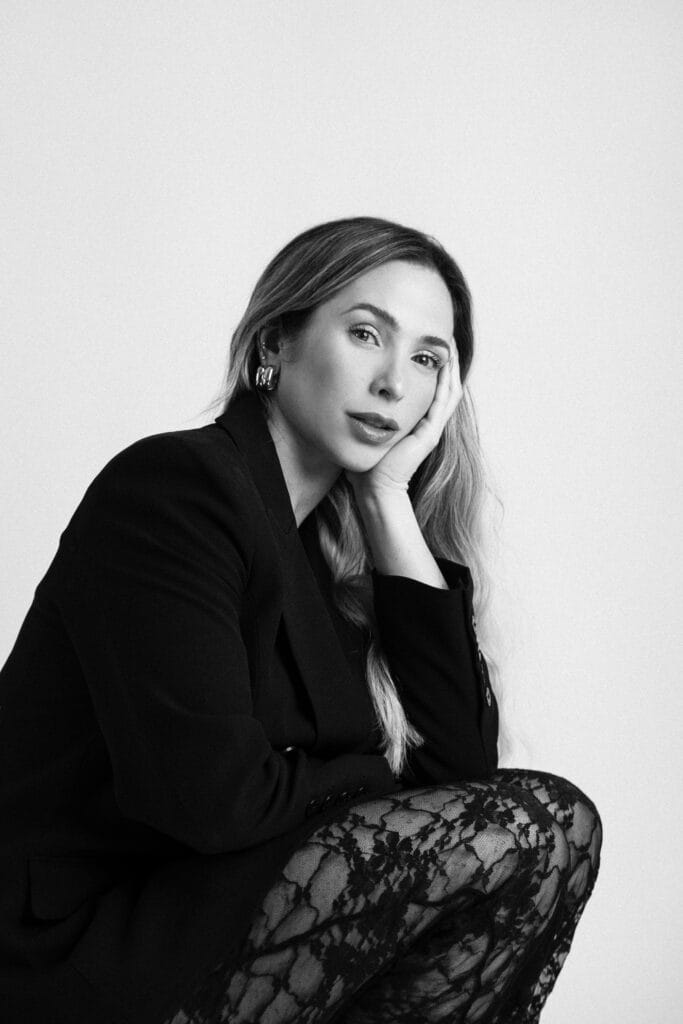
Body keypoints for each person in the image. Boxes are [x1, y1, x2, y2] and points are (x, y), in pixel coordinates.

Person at [0, 216, 602, 1024]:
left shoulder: (329, 555)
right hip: (80, 940)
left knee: (544, 830)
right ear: (273, 345)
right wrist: (376, 774)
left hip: (212, 915)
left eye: (426, 359)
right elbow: (211, 801)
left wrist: (387, 501)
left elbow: (458, 775)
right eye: (366, 334)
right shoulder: (176, 490)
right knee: (541, 825)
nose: (393, 384)